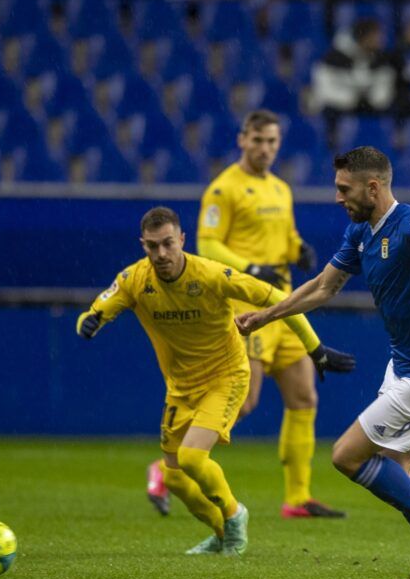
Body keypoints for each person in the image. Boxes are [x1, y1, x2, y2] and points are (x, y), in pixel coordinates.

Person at [236, 146, 410, 579]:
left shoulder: (408, 224)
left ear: (373, 187)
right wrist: (265, 315)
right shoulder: (361, 233)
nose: (338, 197)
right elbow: (323, 287)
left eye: (345, 189)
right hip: (404, 367)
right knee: (395, 474)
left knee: (346, 456)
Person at [79, 206, 355, 556]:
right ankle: (221, 531)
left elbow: (274, 296)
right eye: (152, 246)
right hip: (180, 387)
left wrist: (315, 349)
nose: (161, 254)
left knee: (193, 457)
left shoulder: (210, 275)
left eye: (167, 244)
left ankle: (236, 515)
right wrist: (90, 322)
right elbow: (96, 310)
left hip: (226, 376)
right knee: (176, 477)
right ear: (143, 245)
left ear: (182, 239)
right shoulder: (135, 280)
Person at [158, 108, 344, 520]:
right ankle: (166, 466)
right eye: (257, 140)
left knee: (303, 396)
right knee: (242, 402)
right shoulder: (223, 190)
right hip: (246, 306)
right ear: (242, 140)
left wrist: (297, 248)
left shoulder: (280, 188)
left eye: (272, 142)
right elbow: (207, 245)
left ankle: (297, 498)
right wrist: (249, 266)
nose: (265, 148)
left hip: (284, 300)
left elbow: (285, 233)